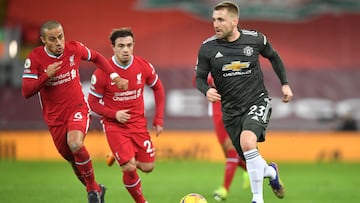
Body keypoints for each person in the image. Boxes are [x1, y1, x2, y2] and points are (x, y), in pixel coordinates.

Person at [195, 2, 293, 203]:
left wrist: (285, 84)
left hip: (257, 101)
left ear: (234, 21)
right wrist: (206, 91)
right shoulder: (207, 48)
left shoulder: (255, 39)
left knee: (248, 143)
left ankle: (257, 199)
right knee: (250, 159)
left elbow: (273, 56)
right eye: (214, 19)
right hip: (230, 112)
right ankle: (271, 173)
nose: (215, 24)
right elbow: (199, 78)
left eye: (220, 19)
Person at [21, 20, 128, 203]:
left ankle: (92, 194)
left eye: (60, 37)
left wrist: (115, 76)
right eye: (52, 39)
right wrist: (46, 76)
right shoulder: (35, 59)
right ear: (43, 40)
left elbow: (96, 57)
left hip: (77, 108)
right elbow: (26, 91)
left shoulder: (74, 48)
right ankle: (96, 188)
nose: (58, 43)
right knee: (73, 160)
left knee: (76, 144)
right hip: (55, 119)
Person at [88, 28, 165, 203]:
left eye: (129, 45)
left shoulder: (143, 66)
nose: (126, 49)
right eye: (121, 46)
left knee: (147, 167)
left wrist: (159, 118)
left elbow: (158, 88)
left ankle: (117, 157)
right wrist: (114, 114)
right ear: (113, 47)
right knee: (129, 167)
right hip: (114, 126)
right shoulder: (102, 72)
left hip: (138, 124)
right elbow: (91, 103)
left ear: (133, 46)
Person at [193, 74, 249, 201]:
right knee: (227, 151)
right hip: (216, 109)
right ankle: (249, 170)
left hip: (233, 107)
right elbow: (197, 80)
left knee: (230, 148)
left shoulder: (234, 60)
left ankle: (224, 188)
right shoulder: (206, 59)